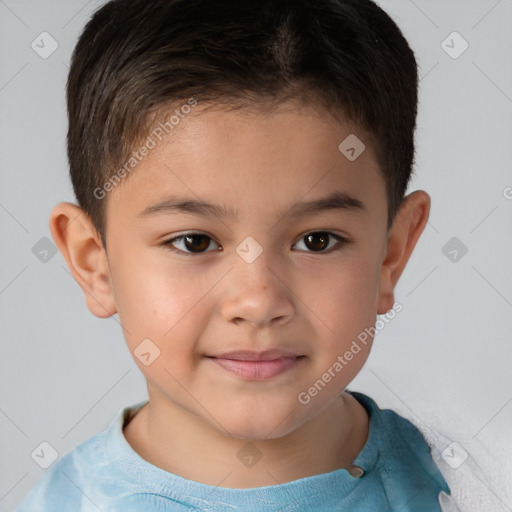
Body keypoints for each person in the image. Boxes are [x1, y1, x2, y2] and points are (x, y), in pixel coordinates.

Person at [16, 0, 458, 510]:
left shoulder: (473, 487)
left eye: (317, 240)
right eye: (194, 241)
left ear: (391, 254)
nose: (258, 301)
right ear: (95, 262)